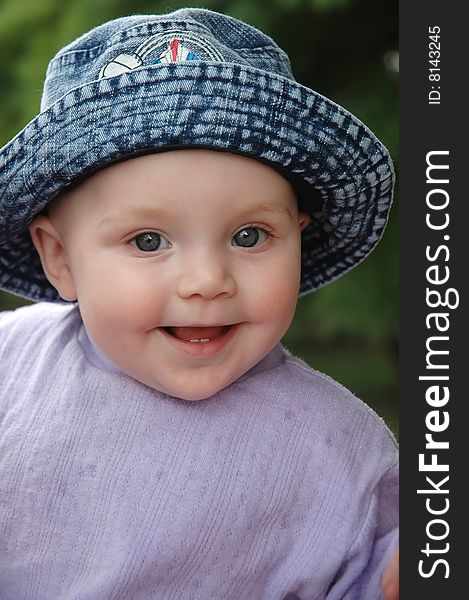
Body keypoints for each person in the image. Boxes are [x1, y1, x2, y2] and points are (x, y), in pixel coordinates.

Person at [0, 8, 398, 599]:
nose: (207, 281)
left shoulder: (342, 446)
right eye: (148, 241)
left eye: (249, 236)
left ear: (298, 234)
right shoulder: (12, 363)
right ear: (60, 258)